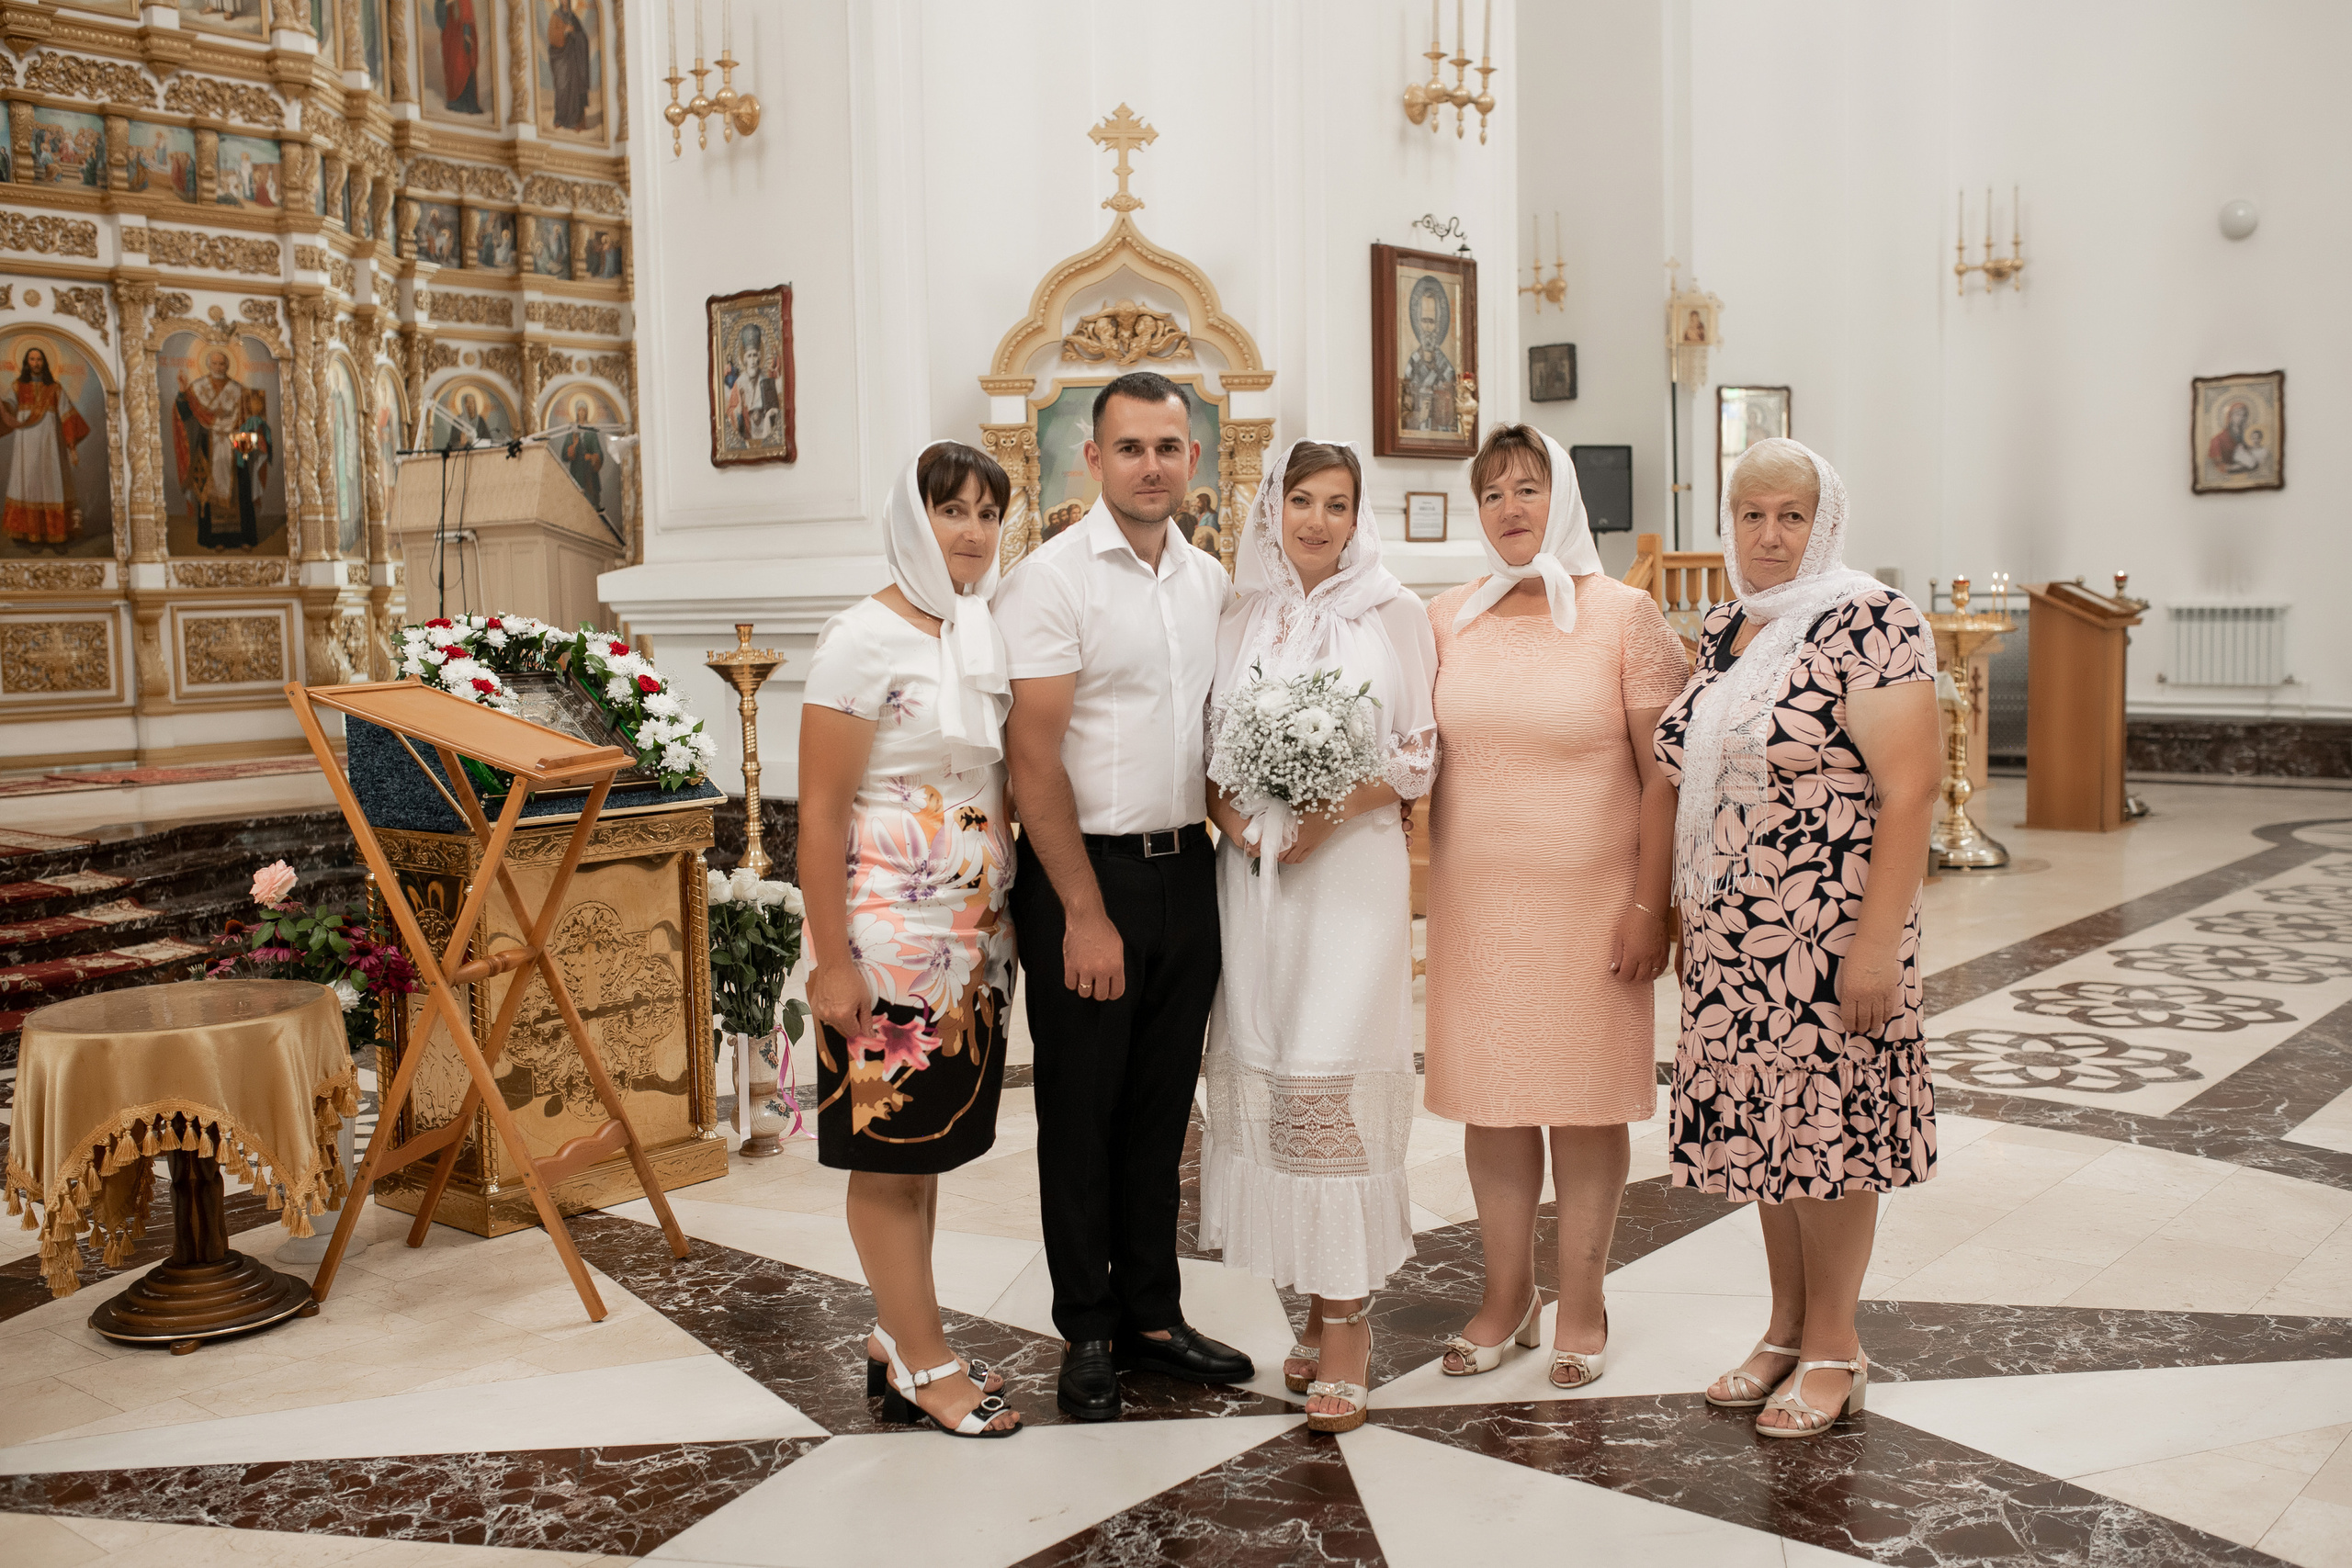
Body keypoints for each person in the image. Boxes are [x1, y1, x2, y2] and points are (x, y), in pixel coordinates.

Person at [1655, 436, 1940, 1438]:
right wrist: (1689, 911)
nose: (1769, 536)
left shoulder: (1872, 618)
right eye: (1751, 515)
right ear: (1727, 522)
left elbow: (1910, 789)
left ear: (1825, 523)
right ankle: (1782, 1330)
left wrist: (1876, 947)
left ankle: (1835, 1345)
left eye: (1790, 517)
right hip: (1736, 933)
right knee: (1764, 1138)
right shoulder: (1728, 625)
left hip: (1827, 929)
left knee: (1830, 1139)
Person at [997, 368, 1251, 1422]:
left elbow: (1212, 735)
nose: (1152, 465)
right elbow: (1032, 759)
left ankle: (1153, 1313)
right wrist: (1083, 911)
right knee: (1082, 1114)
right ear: (1089, 460)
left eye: (1169, 447)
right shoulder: (1052, 581)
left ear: (1194, 460)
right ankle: (1089, 1329)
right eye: (1130, 447)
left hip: (1185, 869)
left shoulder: (1210, 581)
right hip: (1084, 878)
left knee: (1159, 1111)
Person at [1422, 423, 1688, 1388]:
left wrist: (1647, 906)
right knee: (1491, 1108)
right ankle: (1504, 1299)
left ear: (1561, 496)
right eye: (1491, 494)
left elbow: (1663, 776)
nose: (1510, 509)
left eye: (1528, 488)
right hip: (1478, 909)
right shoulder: (1447, 617)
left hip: (1593, 906)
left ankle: (1581, 1302)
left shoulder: (1623, 615)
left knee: (1579, 1107)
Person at [1201, 440, 1437, 1435]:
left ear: (1357, 516)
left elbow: (1419, 753)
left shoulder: (1396, 613)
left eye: (1337, 504)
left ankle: (1346, 1321)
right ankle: (1312, 1292)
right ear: (1272, 508)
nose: (1317, 521)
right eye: (1301, 501)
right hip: (1255, 879)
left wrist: (1327, 811)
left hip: (1350, 872)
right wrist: (1238, 821)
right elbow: (1207, 744)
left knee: (1334, 1073)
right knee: (1277, 1065)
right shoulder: (1237, 614)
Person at [799, 439, 1023, 1438]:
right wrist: (831, 959)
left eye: (985, 512)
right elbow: (817, 810)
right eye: (951, 510)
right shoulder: (861, 637)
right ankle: (926, 1363)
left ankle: (899, 1334)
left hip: (972, 945)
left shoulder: (977, 628)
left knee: (924, 1150)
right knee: (886, 1154)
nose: (971, 530)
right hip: (889, 938)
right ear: (911, 519)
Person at [0, 345, 92, 549]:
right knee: (26, 482)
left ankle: (55, 532)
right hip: (25, 445)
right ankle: (26, 533)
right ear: (26, 362)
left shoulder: (55, 388)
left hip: (51, 445)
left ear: (45, 362)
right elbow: (8, 409)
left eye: (39, 359)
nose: (35, 363)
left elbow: (67, 415)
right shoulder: (17, 386)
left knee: (52, 483)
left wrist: (72, 447)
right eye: (32, 359)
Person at [175, 349, 245, 547]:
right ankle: (213, 539)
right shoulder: (197, 388)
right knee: (207, 488)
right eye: (215, 364)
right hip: (207, 444)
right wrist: (181, 391)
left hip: (234, 444)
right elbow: (185, 414)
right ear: (208, 365)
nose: (218, 367)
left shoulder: (238, 390)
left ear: (228, 366)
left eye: (222, 364)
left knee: (239, 490)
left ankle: (240, 539)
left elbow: (248, 417)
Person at [229, 386, 271, 549]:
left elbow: (260, 439)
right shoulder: (216, 414)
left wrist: (254, 441)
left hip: (243, 463)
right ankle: (226, 540)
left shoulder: (253, 420)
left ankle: (247, 537)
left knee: (244, 497)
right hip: (222, 460)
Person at [547, 0, 594, 131]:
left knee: (575, 87)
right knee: (562, 87)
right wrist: (564, 31)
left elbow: (583, 37)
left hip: (574, 61)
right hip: (561, 59)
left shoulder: (574, 18)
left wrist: (574, 33)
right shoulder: (555, 16)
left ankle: (576, 121)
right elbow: (551, 37)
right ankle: (561, 118)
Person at [435, 0, 483, 115]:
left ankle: (469, 103)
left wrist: (466, 35)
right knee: (453, 66)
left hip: (462, 38)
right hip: (450, 36)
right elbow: (440, 19)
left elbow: (467, 15)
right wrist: (444, 4)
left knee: (463, 66)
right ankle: (454, 99)